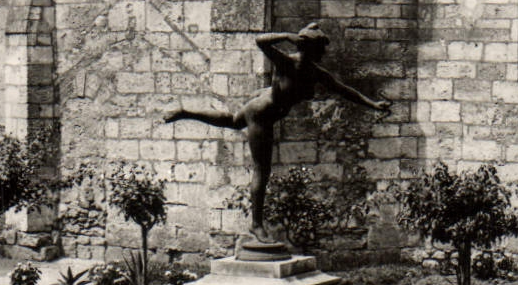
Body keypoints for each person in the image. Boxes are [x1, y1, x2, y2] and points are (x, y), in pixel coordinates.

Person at [164, 23, 390, 241]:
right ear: (311, 48)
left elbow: (344, 90)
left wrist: (373, 105)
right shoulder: (287, 63)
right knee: (261, 171)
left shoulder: (315, 72)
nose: (324, 52)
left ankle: (185, 112)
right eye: (321, 48)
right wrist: (286, 36)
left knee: (233, 121)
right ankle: (256, 225)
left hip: (261, 102)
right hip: (262, 115)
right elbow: (260, 42)